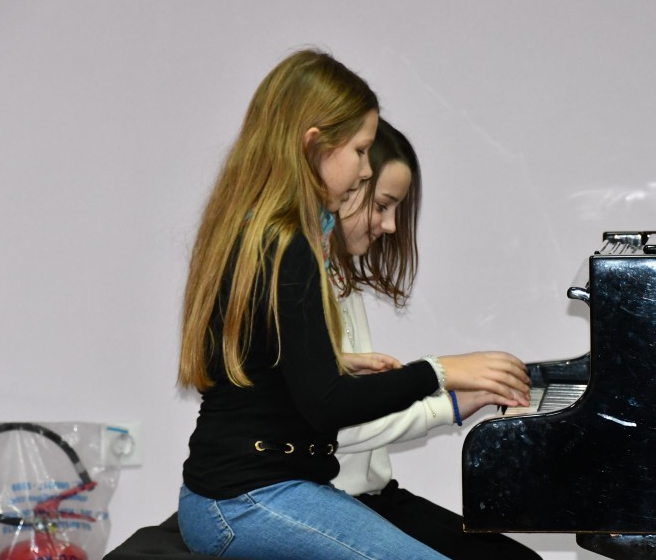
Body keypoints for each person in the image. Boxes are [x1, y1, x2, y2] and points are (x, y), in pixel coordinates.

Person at [176, 48, 532, 560]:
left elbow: (256, 362)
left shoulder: (261, 230)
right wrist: (440, 371)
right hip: (247, 500)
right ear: (314, 144)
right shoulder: (287, 243)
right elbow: (328, 408)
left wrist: (332, 363)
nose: (366, 170)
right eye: (361, 151)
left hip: (234, 495)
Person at [331, 119, 542, 560]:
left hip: (372, 493)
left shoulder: (340, 280)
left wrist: (459, 398)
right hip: (330, 500)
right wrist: (443, 394)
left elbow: (357, 406)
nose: (391, 225)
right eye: (382, 206)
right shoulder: (302, 283)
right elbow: (338, 423)